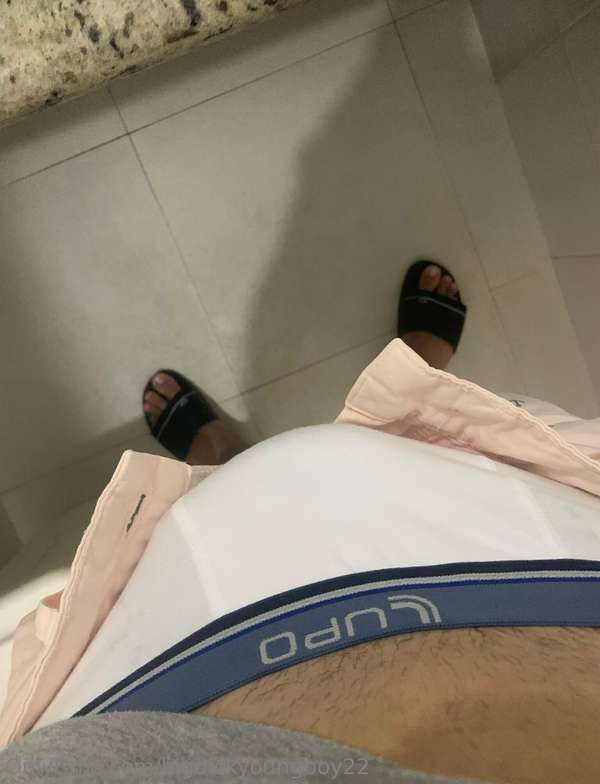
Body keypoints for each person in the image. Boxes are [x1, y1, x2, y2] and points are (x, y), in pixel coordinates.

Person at [2, 263, 600, 784]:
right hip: (560, 569)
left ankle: (220, 456)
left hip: (116, 689)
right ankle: (416, 372)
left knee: (124, 542)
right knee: (445, 433)